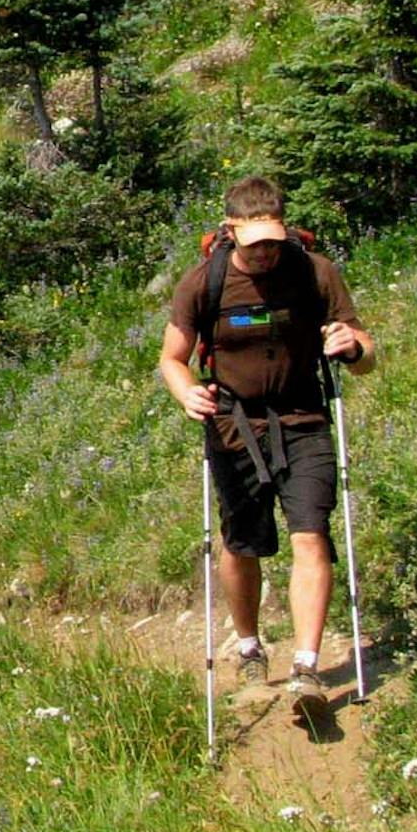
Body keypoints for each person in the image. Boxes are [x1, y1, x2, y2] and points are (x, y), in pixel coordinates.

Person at [157, 176, 374, 711]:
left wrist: (353, 347)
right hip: (233, 425)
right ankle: (250, 646)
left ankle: (306, 667)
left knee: (311, 535)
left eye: (274, 240)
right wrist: (187, 394)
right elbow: (171, 357)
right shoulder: (202, 283)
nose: (266, 252)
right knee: (242, 543)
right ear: (231, 232)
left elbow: (367, 351)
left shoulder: (313, 272)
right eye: (255, 244)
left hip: (304, 419)